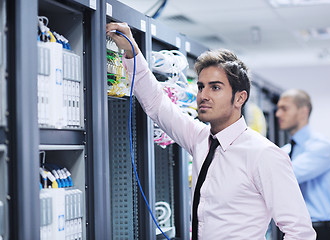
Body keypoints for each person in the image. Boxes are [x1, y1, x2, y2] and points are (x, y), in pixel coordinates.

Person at [106, 22, 316, 240]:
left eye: (215, 87)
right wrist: (131, 52)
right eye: (200, 86)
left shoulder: (264, 154)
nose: (203, 95)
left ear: (240, 98)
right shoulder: (200, 139)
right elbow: (158, 105)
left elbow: (299, 231)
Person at [276, 89, 330, 240]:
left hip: (320, 232)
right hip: (292, 232)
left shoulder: (321, 147)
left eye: (284, 108)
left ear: (303, 112)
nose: (278, 114)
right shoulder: (285, 150)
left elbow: (286, 177)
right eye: (278, 108)